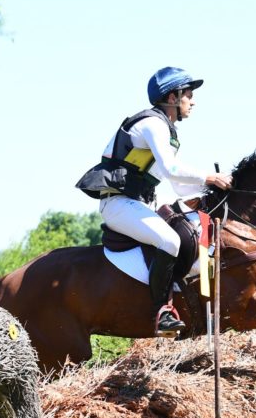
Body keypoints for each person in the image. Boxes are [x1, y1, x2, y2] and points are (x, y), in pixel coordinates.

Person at [75, 66, 232, 338]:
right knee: (169, 241)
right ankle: (162, 312)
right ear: (172, 97)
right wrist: (210, 176)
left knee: (190, 229)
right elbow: (171, 169)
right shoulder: (152, 124)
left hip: (139, 203)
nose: (192, 101)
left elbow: (177, 184)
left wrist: (212, 189)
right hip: (118, 204)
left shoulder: (166, 130)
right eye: (188, 95)